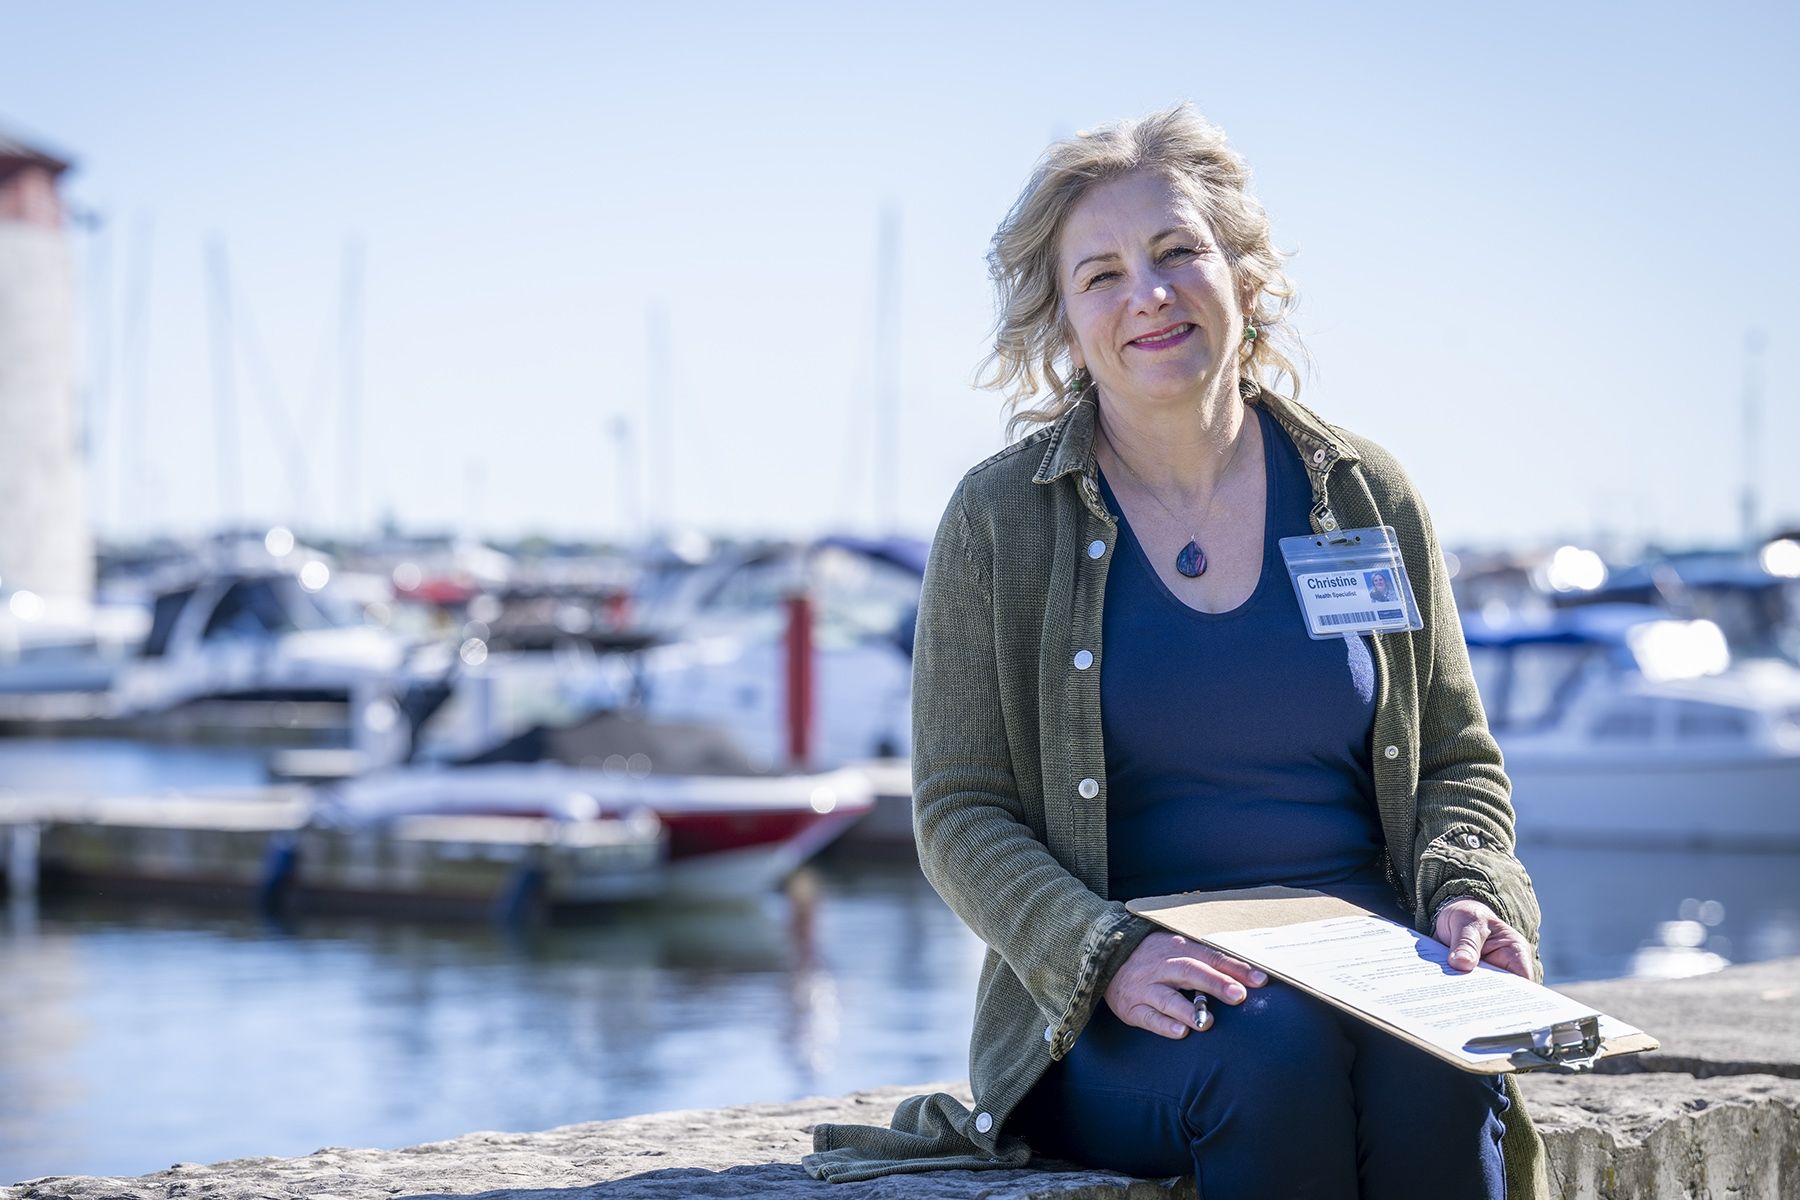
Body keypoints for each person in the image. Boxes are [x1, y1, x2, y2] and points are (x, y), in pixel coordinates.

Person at [806, 105, 1547, 1199]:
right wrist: (1104, 953)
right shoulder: (1001, 520)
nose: (1147, 293)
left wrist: (1471, 893)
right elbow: (959, 810)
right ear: (1062, 322)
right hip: (1131, 1001)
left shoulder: (1365, 496)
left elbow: (1454, 763)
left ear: (1243, 276)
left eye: (1177, 252)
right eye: (1100, 274)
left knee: (1446, 1071)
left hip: (1378, 972)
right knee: (1272, 1060)